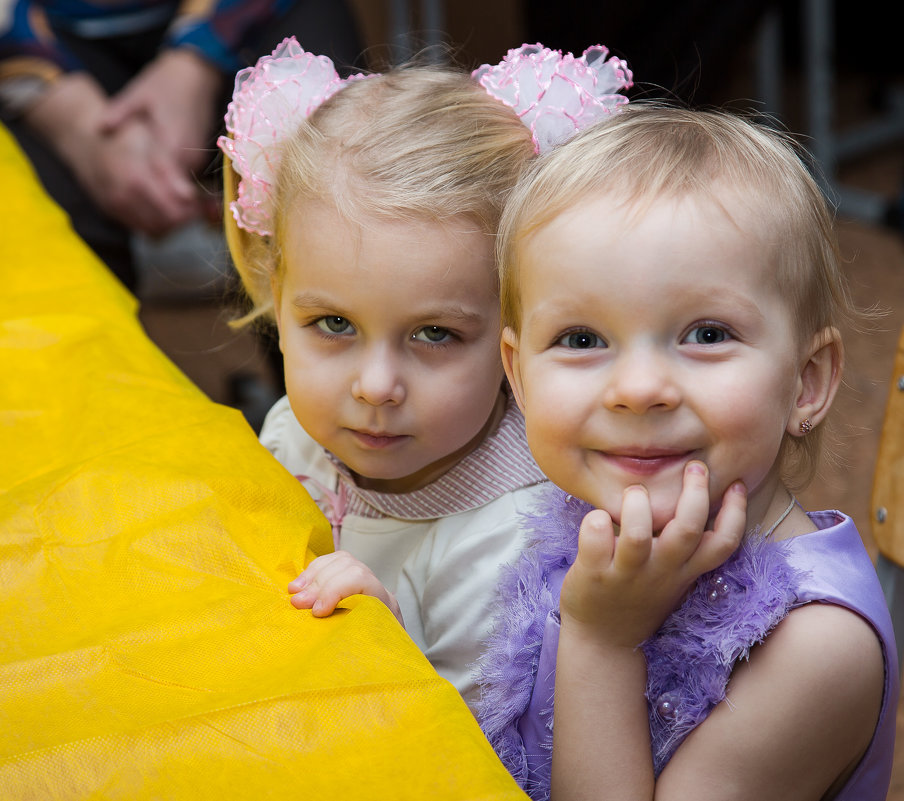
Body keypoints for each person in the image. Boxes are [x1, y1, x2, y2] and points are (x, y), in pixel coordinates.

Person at [476, 105, 899, 800]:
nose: (638, 389)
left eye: (705, 333)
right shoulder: (579, 517)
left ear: (806, 381)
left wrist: (601, 642)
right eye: (581, 339)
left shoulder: (816, 644)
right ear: (518, 377)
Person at [216, 39, 634, 705]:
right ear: (275, 287)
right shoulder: (295, 427)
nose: (375, 385)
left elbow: (477, 760)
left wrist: (386, 649)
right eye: (332, 324)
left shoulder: (516, 545)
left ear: (520, 324)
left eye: (434, 333)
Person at [0, 0, 362, 289]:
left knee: (328, 168)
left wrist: (197, 56)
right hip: (4, 29)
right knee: (46, 223)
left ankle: (321, 426)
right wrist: (71, 119)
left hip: (253, 13)